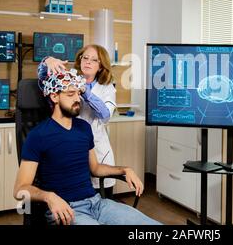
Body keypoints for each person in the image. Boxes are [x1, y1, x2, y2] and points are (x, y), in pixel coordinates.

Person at [13, 69, 160, 225]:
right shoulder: (38, 135)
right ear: (54, 96)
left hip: (97, 204)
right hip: (67, 209)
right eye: (70, 94)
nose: (77, 99)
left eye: (78, 93)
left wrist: (125, 169)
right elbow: (19, 189)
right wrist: (50, 197)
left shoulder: (83, 128)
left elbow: (95, 168)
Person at [38, 45, 116, 198]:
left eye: (94, 60)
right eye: (85, 58)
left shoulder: (107, 88)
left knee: (102, 203)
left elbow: (105, 115)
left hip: (98, 152)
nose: (88, 62)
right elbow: (42, 80)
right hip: (70, 147)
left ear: (101, 67)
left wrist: (85, 91)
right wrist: (48, 60)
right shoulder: (67, 80)